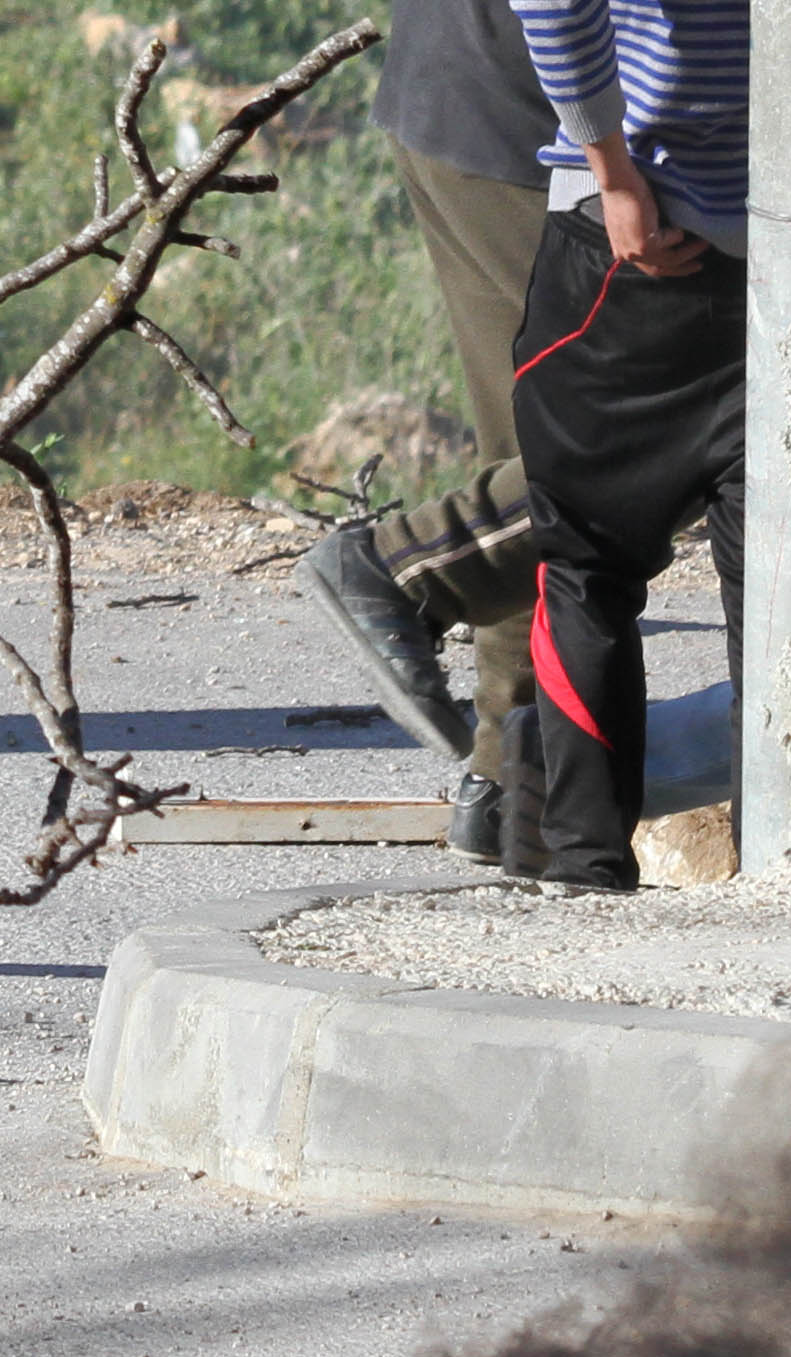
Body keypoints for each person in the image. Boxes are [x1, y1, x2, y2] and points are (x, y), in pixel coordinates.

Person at [294, 0, 552, 861]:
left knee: (539, 446)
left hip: (481, 87)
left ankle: (512, 781)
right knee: (644, 438)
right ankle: (400, 567)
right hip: (544, 111)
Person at [499, 0, 747, 894]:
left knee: (586, 567)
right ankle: (786, 871)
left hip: (635, 243)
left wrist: (608, 169)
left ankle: (584, 870)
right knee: (776, 597)